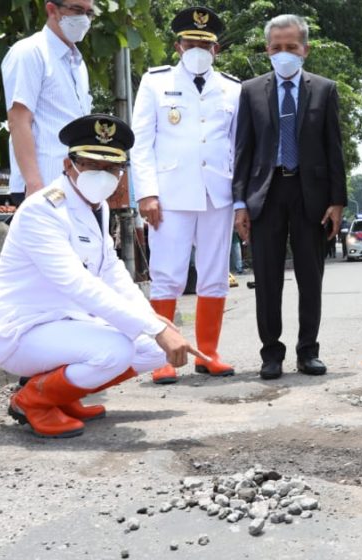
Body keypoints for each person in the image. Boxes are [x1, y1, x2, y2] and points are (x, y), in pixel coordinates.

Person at [0, 114, 204, 439]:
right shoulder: (42, 210)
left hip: (63, 323)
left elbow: (111, 270)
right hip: (22, 330)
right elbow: (77, 283)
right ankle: (34, 400)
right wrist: (154, 326)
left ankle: (63, 396)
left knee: (155, 349)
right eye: (91, 165)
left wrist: (151, 320)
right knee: (115, 351)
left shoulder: (97, 206)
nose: (103, 175)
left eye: (112, 168)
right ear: (68, 164)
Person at [232, 14, 347, 380]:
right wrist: (239, 204)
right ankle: (271, 354)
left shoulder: (324, 89)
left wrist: (337, 201)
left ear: (305, 50)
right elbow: (243, 151)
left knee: (310, 276)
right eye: (277, 48)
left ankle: (308, 351)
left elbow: (334, 149)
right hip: (265, 194)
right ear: (268, 50)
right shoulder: (250, 91)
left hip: (309, 194)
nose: (284, 53)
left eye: (291, 47)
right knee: (266, 278)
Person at [131, 6, 242, 382]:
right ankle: (162, 357)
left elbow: (237, 147)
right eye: (190, 42)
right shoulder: (154, 82)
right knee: (166, 276)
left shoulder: (232, 88)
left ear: (216, 50)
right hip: (169, 195)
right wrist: (146, 193)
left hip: (218, 194)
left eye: (205, 44)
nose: (197, 48)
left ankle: (208, 353)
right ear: (177, 46)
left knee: (213, 275)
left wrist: (239, 199)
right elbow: (141, 143)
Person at [1, 0, 94, 205]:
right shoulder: (30, 52)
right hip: (43, 184)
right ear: (52, 10)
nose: (84, 19)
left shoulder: (78, 64)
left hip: (76, 184)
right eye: (77, 10)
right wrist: (34, 185)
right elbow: (18, 121)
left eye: (89, 13)